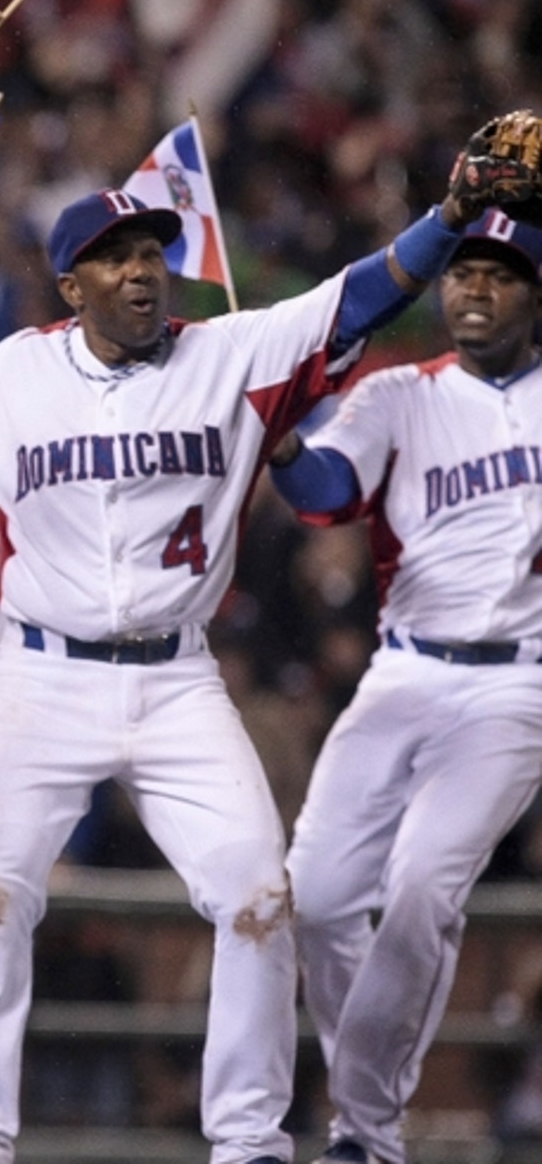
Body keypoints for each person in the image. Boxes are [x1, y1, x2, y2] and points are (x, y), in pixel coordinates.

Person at [0, 140, 496, 1164]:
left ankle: (248, 1140)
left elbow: (358, 296)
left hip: (179, 677)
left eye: (151, 250)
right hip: (39, 677)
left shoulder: (232, 355)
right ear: (70, 283)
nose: (140, 269)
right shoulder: (13, 377)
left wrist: (447, 218)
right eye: (114, 255)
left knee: (257, 894)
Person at [270, 210, 542, 1164]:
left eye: (500, 275)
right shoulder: (398, 396)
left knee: (423, 884)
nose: (473, 287)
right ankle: (367, 1117)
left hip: (516, 690)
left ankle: (365, 1130)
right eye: (462, 271)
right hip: (404, 671)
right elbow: (322, 495)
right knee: (316, 896)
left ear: (534, 296)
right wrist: (279, 446)